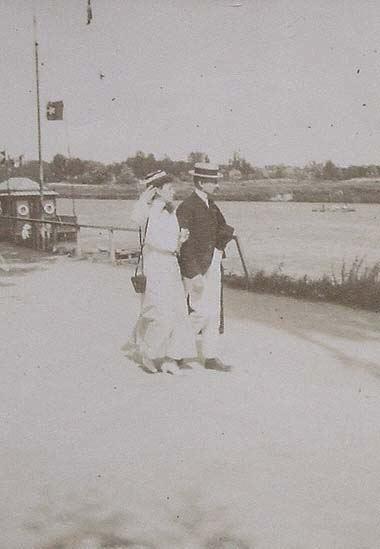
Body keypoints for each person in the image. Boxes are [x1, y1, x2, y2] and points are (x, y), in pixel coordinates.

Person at [123, 170, 197, 374]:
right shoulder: (149, 209)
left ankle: (170, 358)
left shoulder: (171, 211)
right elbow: (135, 220)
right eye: (169, 188)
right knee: (160, 313)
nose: (174, 191)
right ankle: (147, 352)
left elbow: (169, 239)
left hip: (171, 264)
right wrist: (143, 200)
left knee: (178, 311)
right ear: (158, 190)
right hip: (155, 265)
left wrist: (180, 239)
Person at [176, 162, 234, 372]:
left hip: (213, 263)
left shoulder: (212, 205)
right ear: (201, 182)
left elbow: (223, 229)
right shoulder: (187, 207)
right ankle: (177, 353)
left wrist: (218, 250)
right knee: (198, 311)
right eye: (213, 181)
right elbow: (184, 244)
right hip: (197, 268)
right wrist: (193, 272)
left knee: (214, 311)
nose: (216, 185)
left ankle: (210, 356)